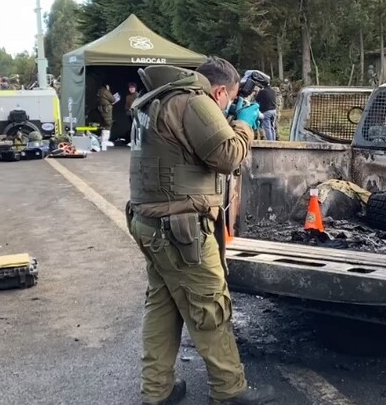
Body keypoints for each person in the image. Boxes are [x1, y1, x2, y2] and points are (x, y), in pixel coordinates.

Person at [127, 57, 273, 405]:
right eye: (227, 98)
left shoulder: (159, 99)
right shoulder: (195, 102)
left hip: (151, 224)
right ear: (220, 90)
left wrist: (227, 117)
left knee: (163, 307)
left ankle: (157, 391)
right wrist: (245, 124)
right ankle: (229, 392)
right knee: (210, 307)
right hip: (182, 230)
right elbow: (227, 156)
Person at [97, 84, 115, 148]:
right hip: (106, 109)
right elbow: (113, 99)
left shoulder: (99, 91)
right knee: (108, 124)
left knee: (104, 124)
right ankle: (105, 140)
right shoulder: (105, 91)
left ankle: (103, 139)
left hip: (101, 109)